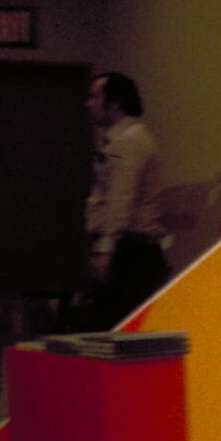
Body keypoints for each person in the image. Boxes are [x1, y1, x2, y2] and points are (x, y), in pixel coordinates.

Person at [83, 71, 169, 329]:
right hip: (124, 245)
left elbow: (121, 198)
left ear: (115, 103)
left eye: (96, 97)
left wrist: (106, 250)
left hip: (131, 249)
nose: (90, 104)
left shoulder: (131, 141)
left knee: (117, 327)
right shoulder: (115, 141)